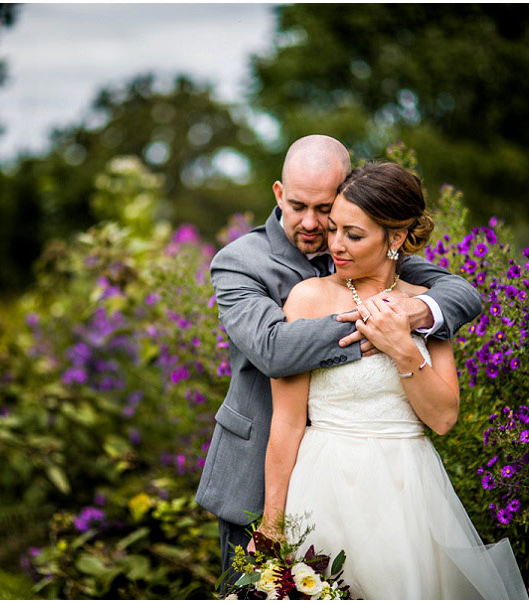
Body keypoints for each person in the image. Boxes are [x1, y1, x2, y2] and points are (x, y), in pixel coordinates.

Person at [195, 135, 484, 581]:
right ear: (278, 194)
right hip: (259, 475)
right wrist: (378, 325)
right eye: (297, 206)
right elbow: (273, 350)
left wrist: (416, 315)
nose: (316, 228)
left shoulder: (389, 263)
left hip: (398, 485)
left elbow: (459, 292)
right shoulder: (240, 262)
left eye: (327, 212)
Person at [261, 161, 526, 598]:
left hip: (408, 491)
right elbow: (287, 421)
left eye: (354, 234)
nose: (336, 246)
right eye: (334, 230)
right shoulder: (309, 298)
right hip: (325, 481)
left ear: (396, 238)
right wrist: (272, 522)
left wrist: (402, 348)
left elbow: (442, 418)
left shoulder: (425, 305)